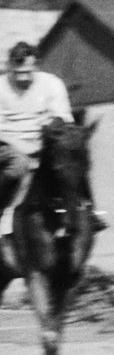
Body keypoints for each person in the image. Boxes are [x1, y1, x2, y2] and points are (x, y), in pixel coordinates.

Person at [0, 41, 86, 227]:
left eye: (28, 72)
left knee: (73, 156)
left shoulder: (52, 84)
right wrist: (20, 145)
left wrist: (53, 126)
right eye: (18, 72)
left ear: (36, 66)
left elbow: (62, 116)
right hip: (8, 143)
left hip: (44, 141)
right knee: (18, 164)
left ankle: (83, 211)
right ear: (10, 67)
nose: (23, 77)